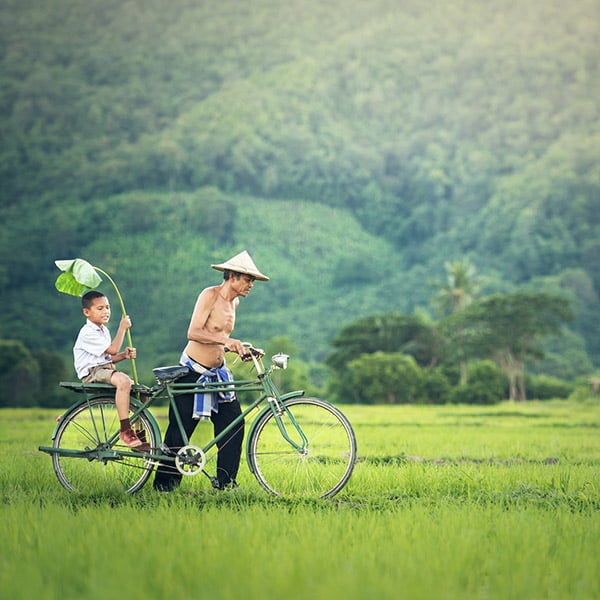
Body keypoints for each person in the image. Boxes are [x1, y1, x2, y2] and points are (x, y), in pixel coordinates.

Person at [153, 250, 269, 492]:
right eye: (248, 280)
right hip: (192, 372)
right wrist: (227, 342)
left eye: (252, 281)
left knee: (233, 424)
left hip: (218, 374)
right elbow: (193, 332)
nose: (251, 285)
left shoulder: (234, 302)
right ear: (234, 277)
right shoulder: (210, 295)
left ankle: (226, 484)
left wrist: (241, 348)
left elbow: (221, 338)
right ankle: (164, 487)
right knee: (180, 432)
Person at [73, 290, 145, 449]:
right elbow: (112, 350)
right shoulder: (88, 332)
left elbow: (109, 358)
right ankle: (125, 430)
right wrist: (122, 329)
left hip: (104, 369)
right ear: (87, 312)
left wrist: (124, 355)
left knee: (142, 393)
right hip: (92, 372)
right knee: (124, 381)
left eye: (107, 307)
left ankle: (141, 432)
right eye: (100, 308)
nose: (106, 311)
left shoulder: (103, 330)